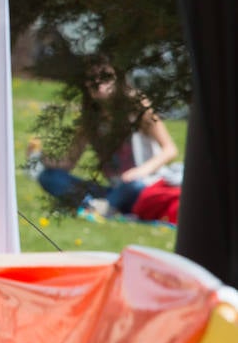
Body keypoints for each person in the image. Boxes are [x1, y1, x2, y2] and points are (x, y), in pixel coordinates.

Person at [29, 61, 182, 224]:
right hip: (113, 190)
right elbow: (68, 162)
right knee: (50, 178)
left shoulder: (137, 106)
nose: (99, 84)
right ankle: (102, 207)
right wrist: (39, 158)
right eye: (92, 79)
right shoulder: (90, 119)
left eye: (105, 77)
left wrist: (140, 171)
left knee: (131, 186)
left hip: (145, 185)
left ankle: (97, 208)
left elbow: (170, 150)